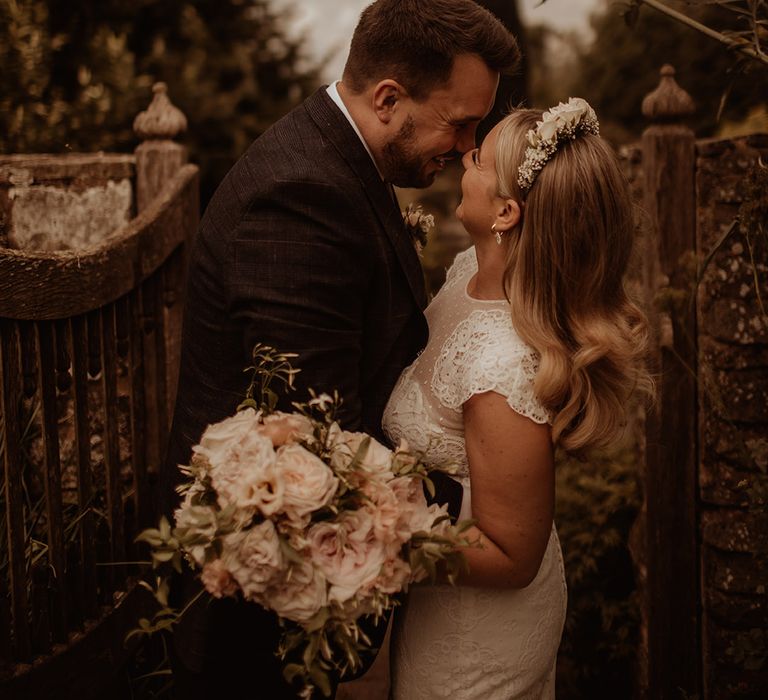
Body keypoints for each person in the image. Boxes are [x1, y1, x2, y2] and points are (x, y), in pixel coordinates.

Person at [163, 1, 520, 698]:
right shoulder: (299, 196)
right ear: (389, 98)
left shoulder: (341, 162)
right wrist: (495, 516)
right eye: (462, 122)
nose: (470, 144)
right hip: (257, 626)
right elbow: (324, 442)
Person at [383, 99, 653, 699]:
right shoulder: (465, 274)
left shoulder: (502, 365)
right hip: (442, 599)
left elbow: (511, 554)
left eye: (478, 156)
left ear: (506, 211)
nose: (463, 153)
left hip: (475, 635)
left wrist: (377, 535)